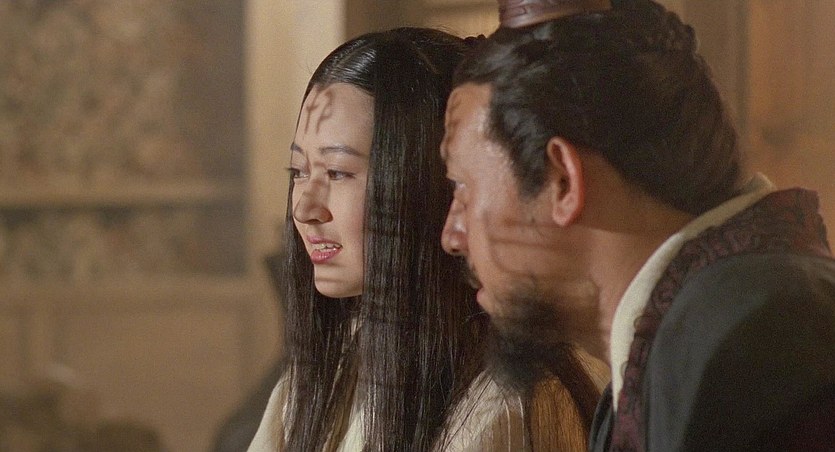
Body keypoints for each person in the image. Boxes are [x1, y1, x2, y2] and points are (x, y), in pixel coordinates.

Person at [439, 0, 835, 450]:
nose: (451, 236)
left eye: (463, 188)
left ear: (562, 181)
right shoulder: (688, 344)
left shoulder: (752, 348)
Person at [248, 27, 605, 451]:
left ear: (431, 185)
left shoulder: (508, 407)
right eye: (299, 172)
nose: (305, 208)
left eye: (338, 173)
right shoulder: (313, 386)